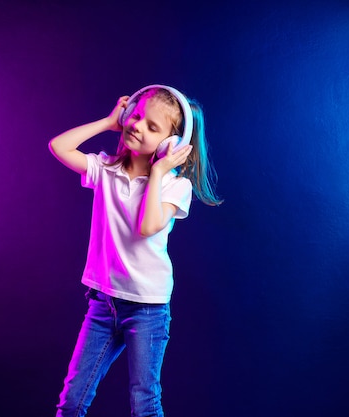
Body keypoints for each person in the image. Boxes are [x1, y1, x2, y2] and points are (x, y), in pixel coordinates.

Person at [48, 84, 222, 417]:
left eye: (152, 126)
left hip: (147, 308)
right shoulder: (106, 170)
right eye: (136, 116)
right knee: (71, 401)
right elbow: (59, 146)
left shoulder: (175, 186)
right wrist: (107, 121)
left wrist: (157, 171)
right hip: (103, 302)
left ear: (172, 144)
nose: (137, 126)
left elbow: (147, 227)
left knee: (144, 403)